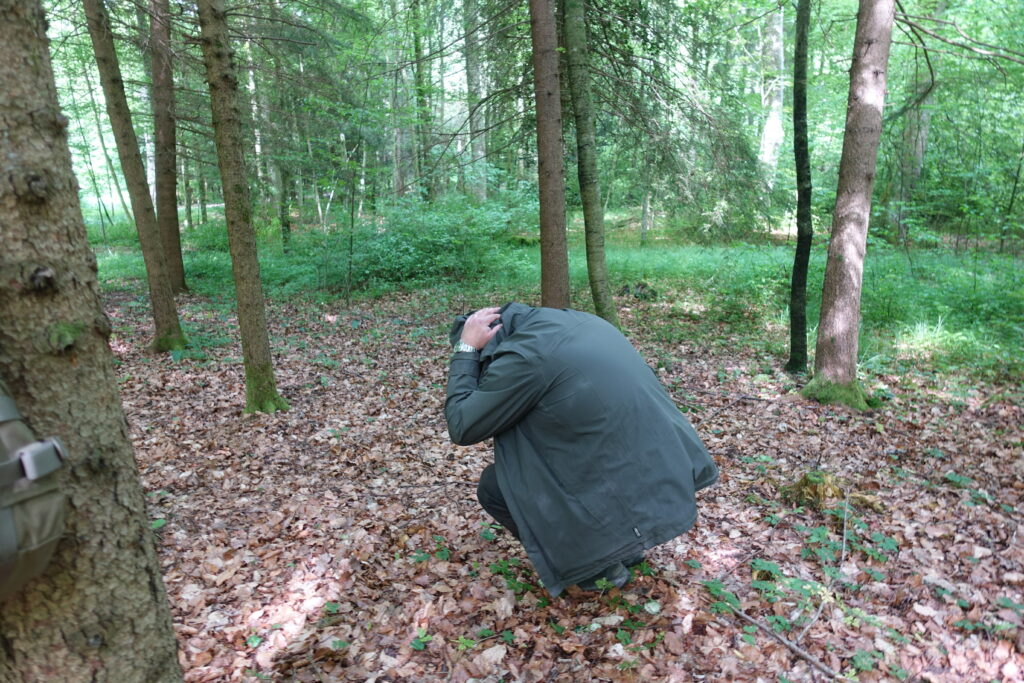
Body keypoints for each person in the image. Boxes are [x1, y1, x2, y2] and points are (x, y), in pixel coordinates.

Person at [445, 303, 718, 596]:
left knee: (495, 487)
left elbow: (463, 425)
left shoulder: (527, 356)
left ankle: (596, 569)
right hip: (663, 463)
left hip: (620, 474)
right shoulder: (581, 322)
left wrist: (466, 352)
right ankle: (626, 551)